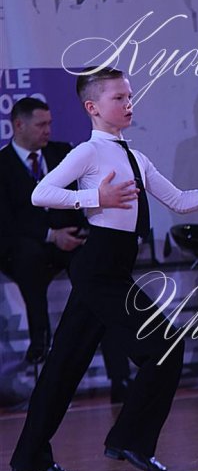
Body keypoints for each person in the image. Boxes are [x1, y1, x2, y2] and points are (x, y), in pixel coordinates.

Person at [10, 68, 198, 471]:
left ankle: (30, 457)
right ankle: (130, 440)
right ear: (92, 107)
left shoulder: (136, 157)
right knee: (166, 347)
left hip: (113, 268)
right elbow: (40, 193)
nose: (128, 104)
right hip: (99, 269)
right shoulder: (88, 152)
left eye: (129, 96)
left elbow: (180, 200)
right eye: (118, 98)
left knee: (64, 365)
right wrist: (95, 197)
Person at [0, 97, 131, 400]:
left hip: (69, 240)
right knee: (30, 262)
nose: (48, 130)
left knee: (98, 277)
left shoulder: (63, 153)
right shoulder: (2, 165)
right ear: (19, 125)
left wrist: (79, 230)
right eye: (41, 125)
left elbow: (83, 196)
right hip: (24, 247)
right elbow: (5, 221)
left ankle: (120, 377)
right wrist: (50, 235)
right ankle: (40, 347)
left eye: (49, 124)